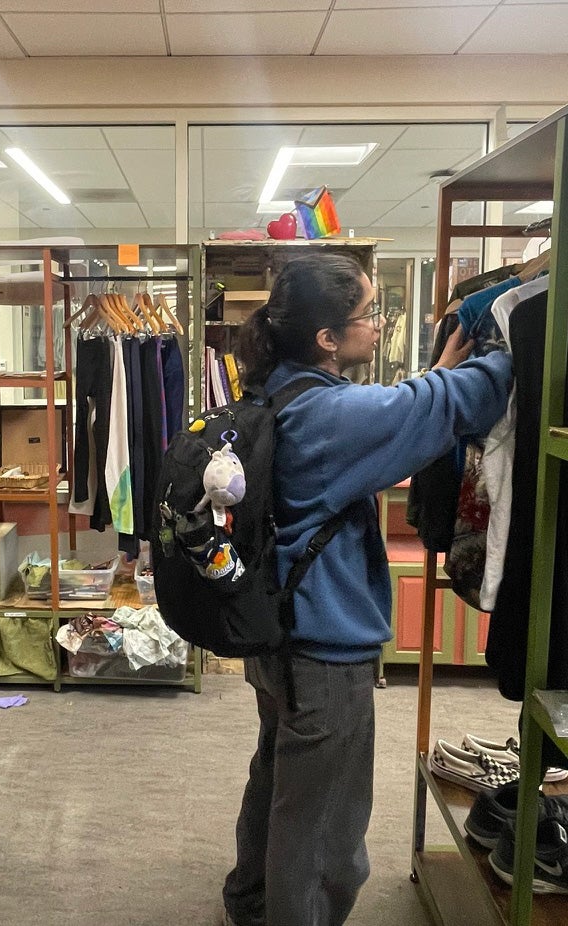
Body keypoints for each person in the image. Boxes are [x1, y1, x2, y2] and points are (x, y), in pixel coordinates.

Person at [221, 253, 513, 926]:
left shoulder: (277, 392)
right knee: (324, 824)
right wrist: (512, 333)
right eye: (370, 314)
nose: (379, 326)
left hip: (277, 635)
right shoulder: (332, 415)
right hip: (324, 652)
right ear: (328, 337)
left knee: (279, 783)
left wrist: (439, 372)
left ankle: (252, 900)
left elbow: (403, 410)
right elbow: (463, 398)